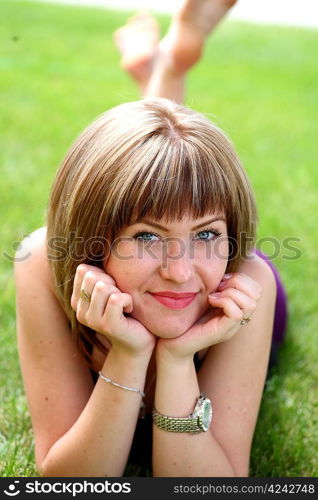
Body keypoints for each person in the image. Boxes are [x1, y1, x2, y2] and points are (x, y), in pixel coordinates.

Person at [14, 0, 287, 477]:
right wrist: (129, 353)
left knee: (166, 169)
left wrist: (180, 360)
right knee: (150, 176)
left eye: (207, 233)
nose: (179, 272)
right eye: (145, 237)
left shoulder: (246, 283)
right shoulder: (42, 262)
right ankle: (164, 70)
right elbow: (68, 484)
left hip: (229, 299)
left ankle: (163, 70)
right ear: (91, 239)